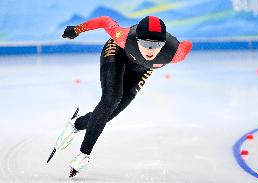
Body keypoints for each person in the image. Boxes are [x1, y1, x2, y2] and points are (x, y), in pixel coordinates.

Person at [57, 15, 192, 177]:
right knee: (110, 100)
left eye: (156, 45)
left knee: (110, 114)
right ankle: (83, 154)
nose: (150, 50)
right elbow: (103, 21)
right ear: (137, 39)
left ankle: (75, 124)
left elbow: (187, 45)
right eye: (145, 43)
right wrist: (76, 30)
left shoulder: (175, 53)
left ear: (163, 44)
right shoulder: (124, 37)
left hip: (141, 71)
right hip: (117, 55)